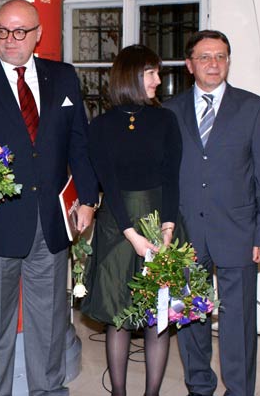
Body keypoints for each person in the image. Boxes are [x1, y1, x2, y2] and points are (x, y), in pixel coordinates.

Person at [0, 0, 99, 396]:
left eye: (20, 32)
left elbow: (78, 143)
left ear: (38, 34)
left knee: (48, 325)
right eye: (2, 31)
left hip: (51, 223)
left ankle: (47, 391)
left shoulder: (63, 77)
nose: (9, 40)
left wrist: (87, 200)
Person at [163, 30, 260, 396]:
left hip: (238, 231)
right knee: (189, 316)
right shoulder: (170, 111)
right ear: (189, 65)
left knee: (238, 321)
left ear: (228, 62)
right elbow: (163, 175)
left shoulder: (253, 108)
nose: (213, 64)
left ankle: (239, 389)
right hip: (185, 234)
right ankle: (199, 385)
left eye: (221, 56)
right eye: (205, 57)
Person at [80, 44, 181, 396]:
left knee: (158, 315)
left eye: (157, 73)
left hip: (160, 219)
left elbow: (172, 178)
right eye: (151, 73)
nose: (158, 80)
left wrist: (167, 229)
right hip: (117, 225)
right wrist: (132, 235)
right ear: (130, 76)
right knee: (118, 316)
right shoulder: (101, 126)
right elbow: (107, 183)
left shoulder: (166, 120)